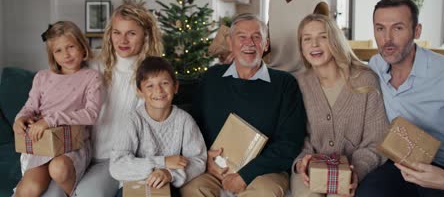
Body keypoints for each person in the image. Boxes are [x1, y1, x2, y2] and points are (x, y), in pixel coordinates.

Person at [181, 13, 306, 197]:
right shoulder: (212, 78)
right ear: (231, 43)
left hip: (263, 172)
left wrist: (245, 175)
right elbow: (193, 127)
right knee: (193, 189)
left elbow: (290, 143)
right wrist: (204, 158)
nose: (249, 43)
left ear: (266, 44)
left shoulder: (284, 84)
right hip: (214, 169)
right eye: (241, 37)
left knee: (264, 193)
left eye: (256, 37)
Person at [356, 0, 444, 196]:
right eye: (380, 28)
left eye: (398, 28)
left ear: (417, 31)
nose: (387, 39)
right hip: (406, 160)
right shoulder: (376, 66)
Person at [61, 0, 163, 197]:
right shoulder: (92, 64)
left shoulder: (151, 75)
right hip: (79, 152)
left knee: (89, 194)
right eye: (117, 32)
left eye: (131, 33)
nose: (122, 40)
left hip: (115, 160)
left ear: (146, 36)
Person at [291, 14, 389, 197]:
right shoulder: (297, 84)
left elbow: (377, 141)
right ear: (301, 47)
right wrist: (301, 162)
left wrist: (355, 171)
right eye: (307, 39)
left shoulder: (365, 80)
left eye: (323, 37)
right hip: (310, 170)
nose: (314, 44)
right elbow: (293, 136)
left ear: (335, 40)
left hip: (353, 167)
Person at [12, 21, 104, 197]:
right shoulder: (42, 77)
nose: (66, 55)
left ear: (82, 47)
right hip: (42, 143)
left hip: (72, 145)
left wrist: (49, 120)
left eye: (71, 47)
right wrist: (20, 119)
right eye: (58, 50)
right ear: (52, 55)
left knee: (58, 168)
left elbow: (91, 114)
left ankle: (73, 193)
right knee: (28, 189)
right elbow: (30, 106)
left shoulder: (91, 77)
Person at [110, 56, 207, 196]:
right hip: (133, 186)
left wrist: (169, 173)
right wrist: (163, 162)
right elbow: (117, 166)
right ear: (139, 91)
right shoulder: (131, 121)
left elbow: (198, 161)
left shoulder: (185, 121)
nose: (159, 90)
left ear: (176, 87)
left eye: (165, 83)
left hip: (167, 187)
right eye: (150, 85)